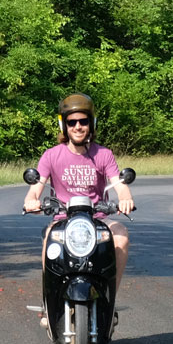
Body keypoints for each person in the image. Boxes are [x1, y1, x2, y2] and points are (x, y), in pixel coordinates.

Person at [22, 92, 134, 323]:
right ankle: (48, 302)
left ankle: (110, 301)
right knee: (48, 241)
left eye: (83, 121)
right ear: (64, 126)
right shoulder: (51, 155)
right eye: (72, 122)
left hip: (98, 218)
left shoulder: (103, 154)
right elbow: (36, 187)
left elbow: (119, 185)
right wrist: (31, 200)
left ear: (91, 124)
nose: (78, 126)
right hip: (63, 218)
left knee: (121, 236)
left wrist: (125, 199)